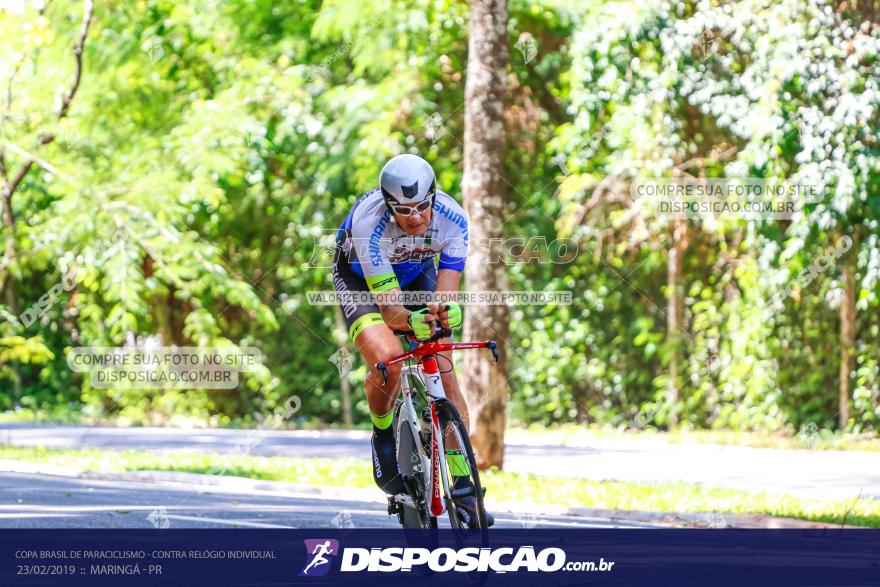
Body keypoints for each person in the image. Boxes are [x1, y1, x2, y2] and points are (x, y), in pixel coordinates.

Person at [333, 153, 492, 528]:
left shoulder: (454, 220)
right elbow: (391, 314)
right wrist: (411, 321)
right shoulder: (369, 224)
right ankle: (383, 434)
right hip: (361, 283)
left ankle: (464, 486)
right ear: (388, 205)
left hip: (417, 273)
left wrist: (444, 313)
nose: (416, 216)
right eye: (404, 209)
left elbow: (445, 294)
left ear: (434, 196)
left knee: (444, 368)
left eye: (423, 205)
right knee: (390, 357)